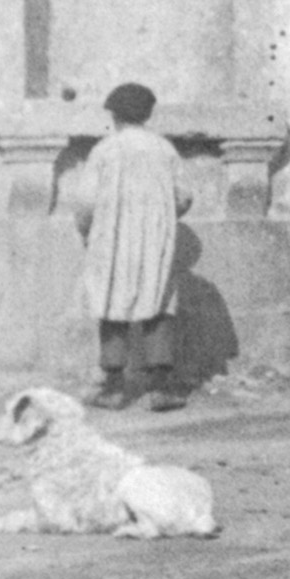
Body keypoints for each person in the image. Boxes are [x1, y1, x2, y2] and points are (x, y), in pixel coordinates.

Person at [74, 82, 190, 412]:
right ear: (148, 114)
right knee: (158, 304)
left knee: (112, 304)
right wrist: (164, 218)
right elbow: (184, 197)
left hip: (112, 240)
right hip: (156, 240)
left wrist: (87, 232)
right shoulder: (164, 150)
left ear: (114, 115)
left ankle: (113, 388)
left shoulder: (105, 150)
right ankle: (162, 388)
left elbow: (85, 203)